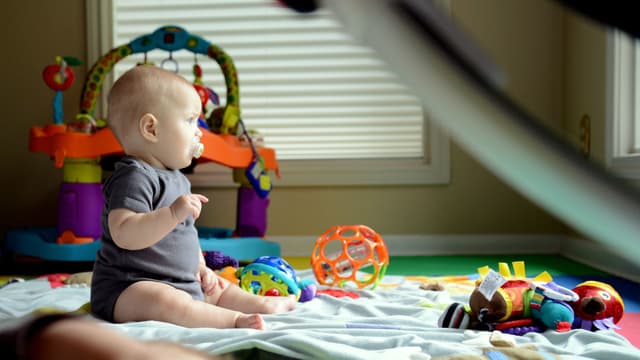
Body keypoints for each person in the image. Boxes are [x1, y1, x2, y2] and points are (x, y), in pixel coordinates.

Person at [90, 65, 296, 330]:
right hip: (129, 287)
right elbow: (124, 233)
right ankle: (234, 321)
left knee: (219, 288)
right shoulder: (133, 177)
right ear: (151, 128)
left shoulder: (178, 178)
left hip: (181, 280)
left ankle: (264, 305)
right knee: (166, 302)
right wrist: (173, 213)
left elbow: (185, 235)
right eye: (190, 121)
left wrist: (200, 267)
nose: (199, 131)